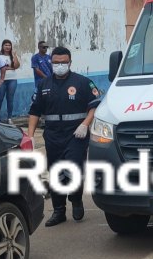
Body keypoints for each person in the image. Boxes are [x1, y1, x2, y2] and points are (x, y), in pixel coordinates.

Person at [27, 46, 102, 226]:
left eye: (63, 62)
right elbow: (35, 111)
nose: (59, 65)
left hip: (76, 134)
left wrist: (85, 124)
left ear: (70, 63)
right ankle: (59, 210)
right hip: (53, 135)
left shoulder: (83, 82)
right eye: (56, 63)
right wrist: (30, 136)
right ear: (51, 63)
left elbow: (94, 106)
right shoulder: (44, 85)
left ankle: (76, 200)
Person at [0, 39, 22, 120]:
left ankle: (9, 118)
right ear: (2, 46)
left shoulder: (13, 55)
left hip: (12, 79)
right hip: (2, 80)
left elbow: (17, 66)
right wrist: (10, 68)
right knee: (0, 98)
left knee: (10, 99)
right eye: (6, 45)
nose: (7, 47)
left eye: (9, 45)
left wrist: (14, 56)